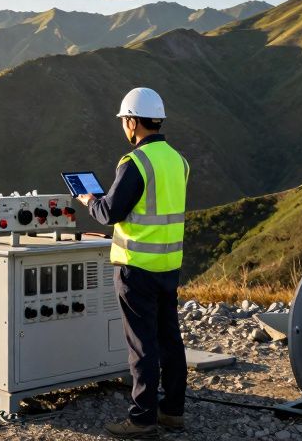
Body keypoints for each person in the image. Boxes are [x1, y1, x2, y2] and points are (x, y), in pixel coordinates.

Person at [76, 87, 188, 438]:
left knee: (142, 345)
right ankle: (173, 411)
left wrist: (87, 199)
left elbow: (110, 212)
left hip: (136, 267)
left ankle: (142, 419)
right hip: (169, 265)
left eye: (125, 121)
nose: (125, 127)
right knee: (170, 339)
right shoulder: (178, 160)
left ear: (133, 122)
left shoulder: (135, 162)